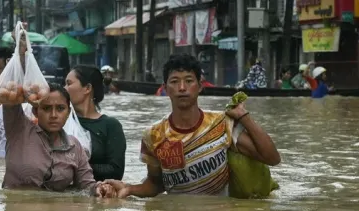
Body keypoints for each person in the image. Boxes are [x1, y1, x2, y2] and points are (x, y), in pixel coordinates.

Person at [103, 53, 280, 198]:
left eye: (189, 81)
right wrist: (129, 188)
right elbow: (156, 184)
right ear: (165, 88)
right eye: (174, 82)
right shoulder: (154, 135)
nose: (182, 87)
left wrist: (244, 117)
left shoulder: (221, 123)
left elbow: (272, 158)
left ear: (200, 86)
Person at [0, 82, 114, 197]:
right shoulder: (19, 130)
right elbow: (10, 93)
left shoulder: (74, 146)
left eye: (60, 108)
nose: (54, 115)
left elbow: (86, 186)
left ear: (68, 112)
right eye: (46, 108)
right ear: (35, 111)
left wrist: (100, 188)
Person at [66, 65, 126, 181]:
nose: (64, 89)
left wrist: (75, 166)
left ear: (87, 88)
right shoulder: (59, 121)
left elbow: (116, 172)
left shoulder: (110, 126)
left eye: (69, 84)